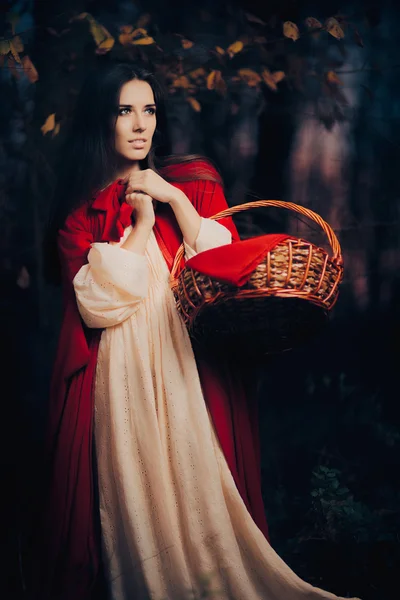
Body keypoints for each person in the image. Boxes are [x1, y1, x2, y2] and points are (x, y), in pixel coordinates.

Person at [32, 63, 361, 600]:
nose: (140, 125)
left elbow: (224, 263)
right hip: (124, 372)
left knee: (193, 468)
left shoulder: (187, 182)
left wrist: (173, 199)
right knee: (139, 484)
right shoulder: (80, 214)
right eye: (124, 111)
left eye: (149, 110)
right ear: (102, 121)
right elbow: (97, 305)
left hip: (181, 358)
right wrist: (139, 226)